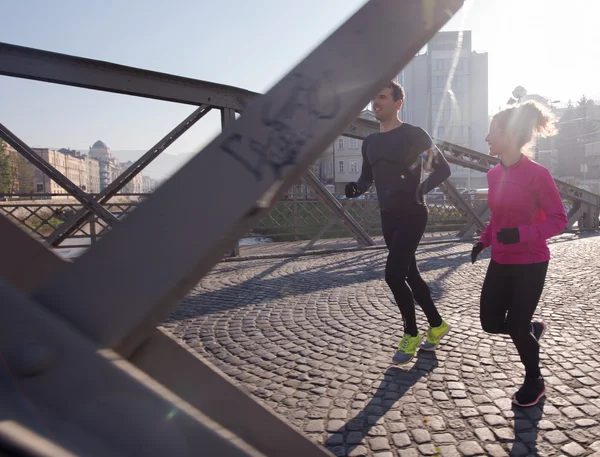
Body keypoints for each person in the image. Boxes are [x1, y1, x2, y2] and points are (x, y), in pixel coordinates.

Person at [345, 80, 451, 365]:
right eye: (373, 98)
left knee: (393, 275)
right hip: (387, 216)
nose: (375, 103)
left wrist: (420, 190)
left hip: (413, 214)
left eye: (382, 97)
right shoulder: (370, 142)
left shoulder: (413, 136)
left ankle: (411, 333)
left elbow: (441, 169)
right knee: (410, 275)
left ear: (398, 103)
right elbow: (368, 178)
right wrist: (356, 187)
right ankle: (438, 324)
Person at [471, 101, 568, 407]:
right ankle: (532, 329)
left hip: (531, 261)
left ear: (509, 136)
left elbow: (559, 219)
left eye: (492, 132)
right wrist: (484, 240)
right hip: (500, 259)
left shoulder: (538, 174)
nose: (486, 139)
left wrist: (523, 234)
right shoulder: (492, 175)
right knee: (489, 322)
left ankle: (534, 380)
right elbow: (497, 216)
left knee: (515, 325)